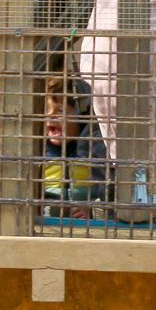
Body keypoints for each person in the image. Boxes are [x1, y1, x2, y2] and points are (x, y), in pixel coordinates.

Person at [41, 77, 113, 221]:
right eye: (47, 110)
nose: (50, 115)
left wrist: (91, 208)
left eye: (60, 110)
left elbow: (105, 194)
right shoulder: (40, 153)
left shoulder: (92, 152)